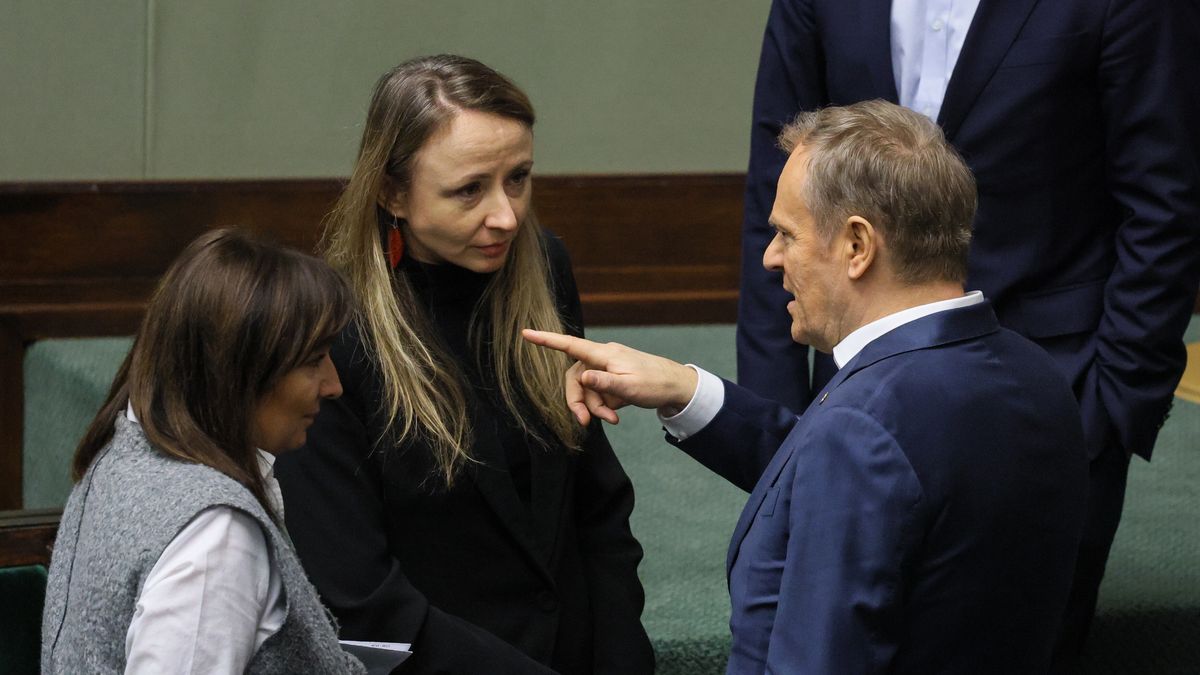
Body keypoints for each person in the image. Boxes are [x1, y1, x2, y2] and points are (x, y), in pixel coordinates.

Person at [526, 100, 1088, 673]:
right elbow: (875, 489)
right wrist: (686, 390)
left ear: (857, 246)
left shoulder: (864, 426)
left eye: (786, 234)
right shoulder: (1034, 374)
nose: (770, 257)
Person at [734, 2, 1200, 666]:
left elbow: (1165, 197)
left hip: (1054, 396)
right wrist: (779, 434)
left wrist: (1112, 408)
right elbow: (776, 197)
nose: (772, 256)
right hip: (852, 393)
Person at [273, 54, 654, 675]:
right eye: (469, 190)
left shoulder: (544, 266)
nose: (507, 216)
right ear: (392, 192)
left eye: (519, 178)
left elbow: (594, 501)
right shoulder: (328, 328)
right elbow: (357, 593)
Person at [40, 229, 365, 674]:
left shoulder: (121, 457)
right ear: (241, 371)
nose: (333, 385)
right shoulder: (216, 535)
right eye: (314, 360)